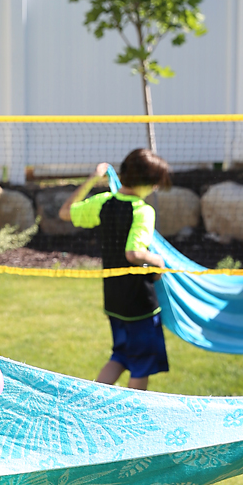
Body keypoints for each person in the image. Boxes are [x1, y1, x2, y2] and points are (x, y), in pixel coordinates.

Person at [58, 148, 170, 390]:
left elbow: (65, 212)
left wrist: (92, 179)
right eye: (155, 183)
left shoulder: (103, 202)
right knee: (141, 364)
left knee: (120, 356)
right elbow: (134, 253)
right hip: (140, 305)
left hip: (114, 300)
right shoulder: (143, 210)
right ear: (147, 183)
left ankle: (90, 403)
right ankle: (132, 415)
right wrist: (159, 262)